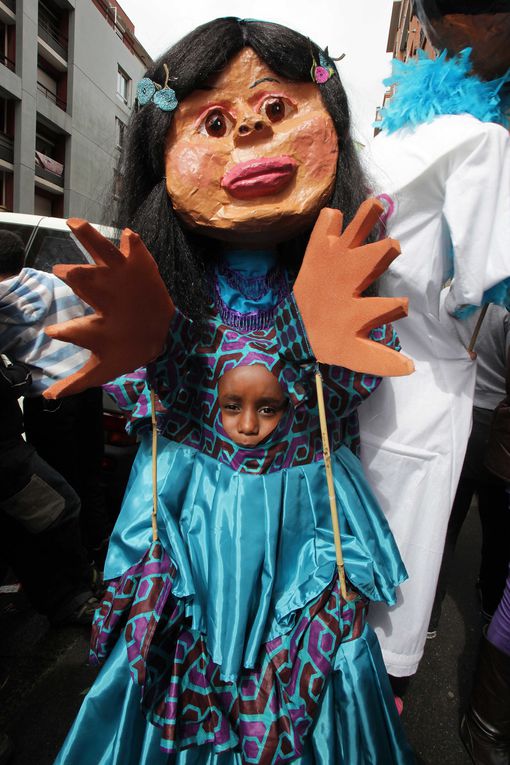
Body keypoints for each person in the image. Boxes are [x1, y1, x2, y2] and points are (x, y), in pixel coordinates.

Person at [50, 19, 415, 764]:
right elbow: (137, 399)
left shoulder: (332, 274)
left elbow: (356, 386)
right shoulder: (172, 286)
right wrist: (143, 349)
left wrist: (329, 344)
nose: (250, 128)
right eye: (214, 121)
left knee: (310, 693)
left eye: (277, 108)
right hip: (187, 512)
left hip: (303, 517)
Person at [358, 0, 510, 681]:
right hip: (429, 398)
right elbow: (486, 283)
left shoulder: (388, 141)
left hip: (359, 385)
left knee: (342, 589)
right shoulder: (484, 141)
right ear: (486, 24)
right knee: (393, 607)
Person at [0, 229, 111, 564]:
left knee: (60, 486)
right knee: (91, 475)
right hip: (87, 387)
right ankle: (101, 552)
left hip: (50, 401)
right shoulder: (54, 283)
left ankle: (73, 563)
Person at [429, 305, 510, 636]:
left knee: (445, 522)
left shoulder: (450, 294)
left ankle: (428, 613)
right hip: (494, 421)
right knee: (497, 526)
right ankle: (491, 604)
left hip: (453, 411)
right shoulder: (503, 305)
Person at [0, 355, 99, 625]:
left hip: (9, 440)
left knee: (20, 529)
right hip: (6, 450)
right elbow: (10, 382)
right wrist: (18, 373)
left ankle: (66, 598)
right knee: (61, 507)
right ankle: (79, 589)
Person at [460, 350, 510, 763]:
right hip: (487, 420)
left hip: (473, 409)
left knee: (451, 526)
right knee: (494, 536)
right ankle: (487, 602)